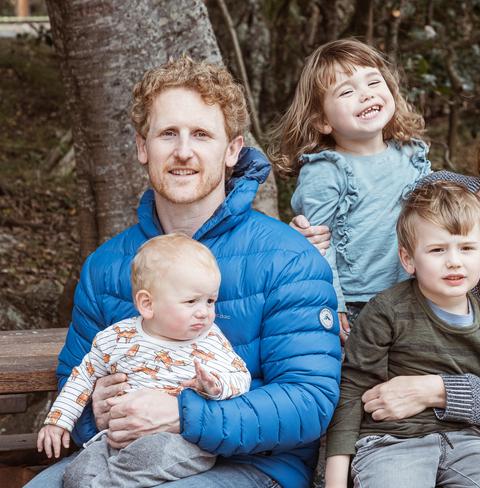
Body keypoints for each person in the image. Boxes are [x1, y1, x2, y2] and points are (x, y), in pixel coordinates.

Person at [26, 56, 341, 488]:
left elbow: (310, 402)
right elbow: (77, 377)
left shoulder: (287, 258)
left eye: (201, 134)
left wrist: (185, 415)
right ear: (142, 146)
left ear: (232, 150)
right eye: (167, 133)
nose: (183, 151)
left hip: (250, 466)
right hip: (117, 456)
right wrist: (91, 414)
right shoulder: (106, 266)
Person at [293, 72, 480, 488]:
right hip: (389, 436)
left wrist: (435, 390)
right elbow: (352, 223)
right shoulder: (432, 195)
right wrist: (311, 242)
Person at [325, 180, 480, 488]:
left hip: (467, 444)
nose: (454, 261)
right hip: (391, 443)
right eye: (437, 250)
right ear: (408, 259)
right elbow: (352, 392)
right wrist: (335, 481)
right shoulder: (386, 311)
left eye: (466, 248)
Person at [37, 233, 252, 487]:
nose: (204, 312)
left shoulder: (210, 341)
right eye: (191, 301)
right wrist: (59, 420)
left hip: (179, 442)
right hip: (117, 439)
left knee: (150, 455)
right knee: (76, 472)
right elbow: (83, 375)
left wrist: (215, 387)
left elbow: (240, 376)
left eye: (210, 300)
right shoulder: (118, 338)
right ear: (147, 304)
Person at [268, 38, 431, 342]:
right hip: (358, 302)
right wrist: (334, 299)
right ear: (322, 120)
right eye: (347, 91)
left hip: (415, 292)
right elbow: (320, 242)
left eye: (373, 82)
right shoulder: (326, 169)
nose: (365, 94)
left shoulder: (411, 155)